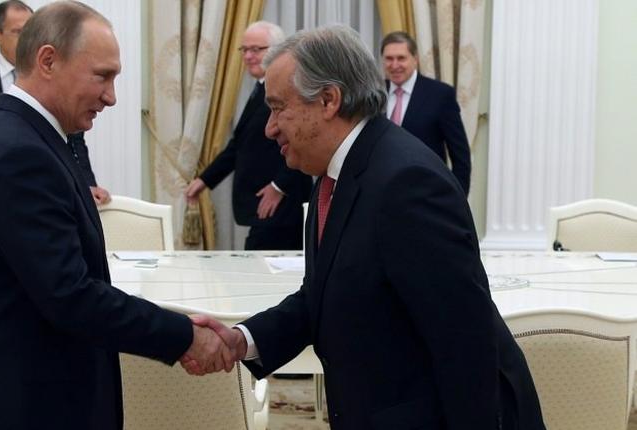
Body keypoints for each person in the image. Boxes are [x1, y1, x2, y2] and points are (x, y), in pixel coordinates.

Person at [190, 25, 545, 429]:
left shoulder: (406, 183)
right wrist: (243, 340)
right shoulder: (335, 171)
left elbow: (464, 343)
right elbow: (321, 295)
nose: (270, 127)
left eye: (277, 107)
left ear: (328, 100)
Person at [0, 2, 233, 429]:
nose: (111, 97)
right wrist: (183, 336)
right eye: (103, 76)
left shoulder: (32, 139)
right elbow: (70, 295)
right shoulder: (19, 153)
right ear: (48, 61)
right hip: (16, 407)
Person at [0, 0, 111, 205]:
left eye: (31, 31)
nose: (27, 39)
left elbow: (74, 141)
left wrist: (86, 185)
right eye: (18, 32)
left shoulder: (50, 75)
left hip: (47, 197)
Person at [185, 21, 312, 250]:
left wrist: (279, 186)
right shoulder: (260, 89)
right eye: (244, 49)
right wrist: (204, 180)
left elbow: (303, 140)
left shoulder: (291, 89)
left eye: (256, 49)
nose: (248, 56)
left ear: (278, 50)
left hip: (283, 206)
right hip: (263, 208)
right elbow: (238, 145)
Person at [381, 31, 472, 195]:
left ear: (415, 59)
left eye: (401, 58)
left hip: (426, 194)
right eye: (389, 58)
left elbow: (461, 157)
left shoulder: (440, 95)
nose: (394, 65)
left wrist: (457, 202)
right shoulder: (375, 94)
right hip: (382, 194)